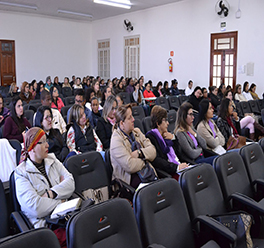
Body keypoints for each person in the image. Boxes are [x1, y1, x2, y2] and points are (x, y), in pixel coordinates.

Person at [14, 127, 74, 240]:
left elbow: (71, 183)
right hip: (45, 227)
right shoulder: (21, 173)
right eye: (43, 142)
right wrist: (61, 202)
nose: (47, 145)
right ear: (32, 148)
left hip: (64, 219)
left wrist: (51, 193)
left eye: (46, 141)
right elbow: (36, 207)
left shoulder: (52, 159)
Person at [110, 104, 157, 188]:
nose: (133, 119)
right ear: (122, 123)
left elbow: (153, 151)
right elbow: (130, 166)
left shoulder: (137, 132)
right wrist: (145, 160)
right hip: (129, 183)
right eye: (129, 118)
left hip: (147, 174)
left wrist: (140, 153)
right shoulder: (116, 141)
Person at [146, 105, 189, 177]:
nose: (168, 123)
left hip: (179, 166)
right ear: (158, 123)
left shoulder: (167, 134)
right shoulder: (151, 137)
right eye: (165, 120)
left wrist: (173, 138)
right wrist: (176, 167)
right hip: (170, 172)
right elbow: (158, 161)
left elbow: (179, 154)